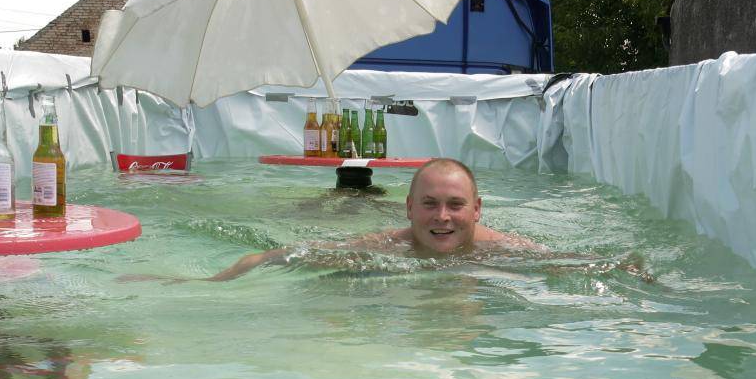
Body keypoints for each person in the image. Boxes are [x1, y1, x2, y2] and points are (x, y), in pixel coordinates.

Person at [202, 158, 546, 282]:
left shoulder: (506, 249)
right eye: (430, 204)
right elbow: (275, 256)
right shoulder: (384, 248)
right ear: (409, 208)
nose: (443, 217)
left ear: (477, 209)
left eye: (455, 204)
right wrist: (208, 283)